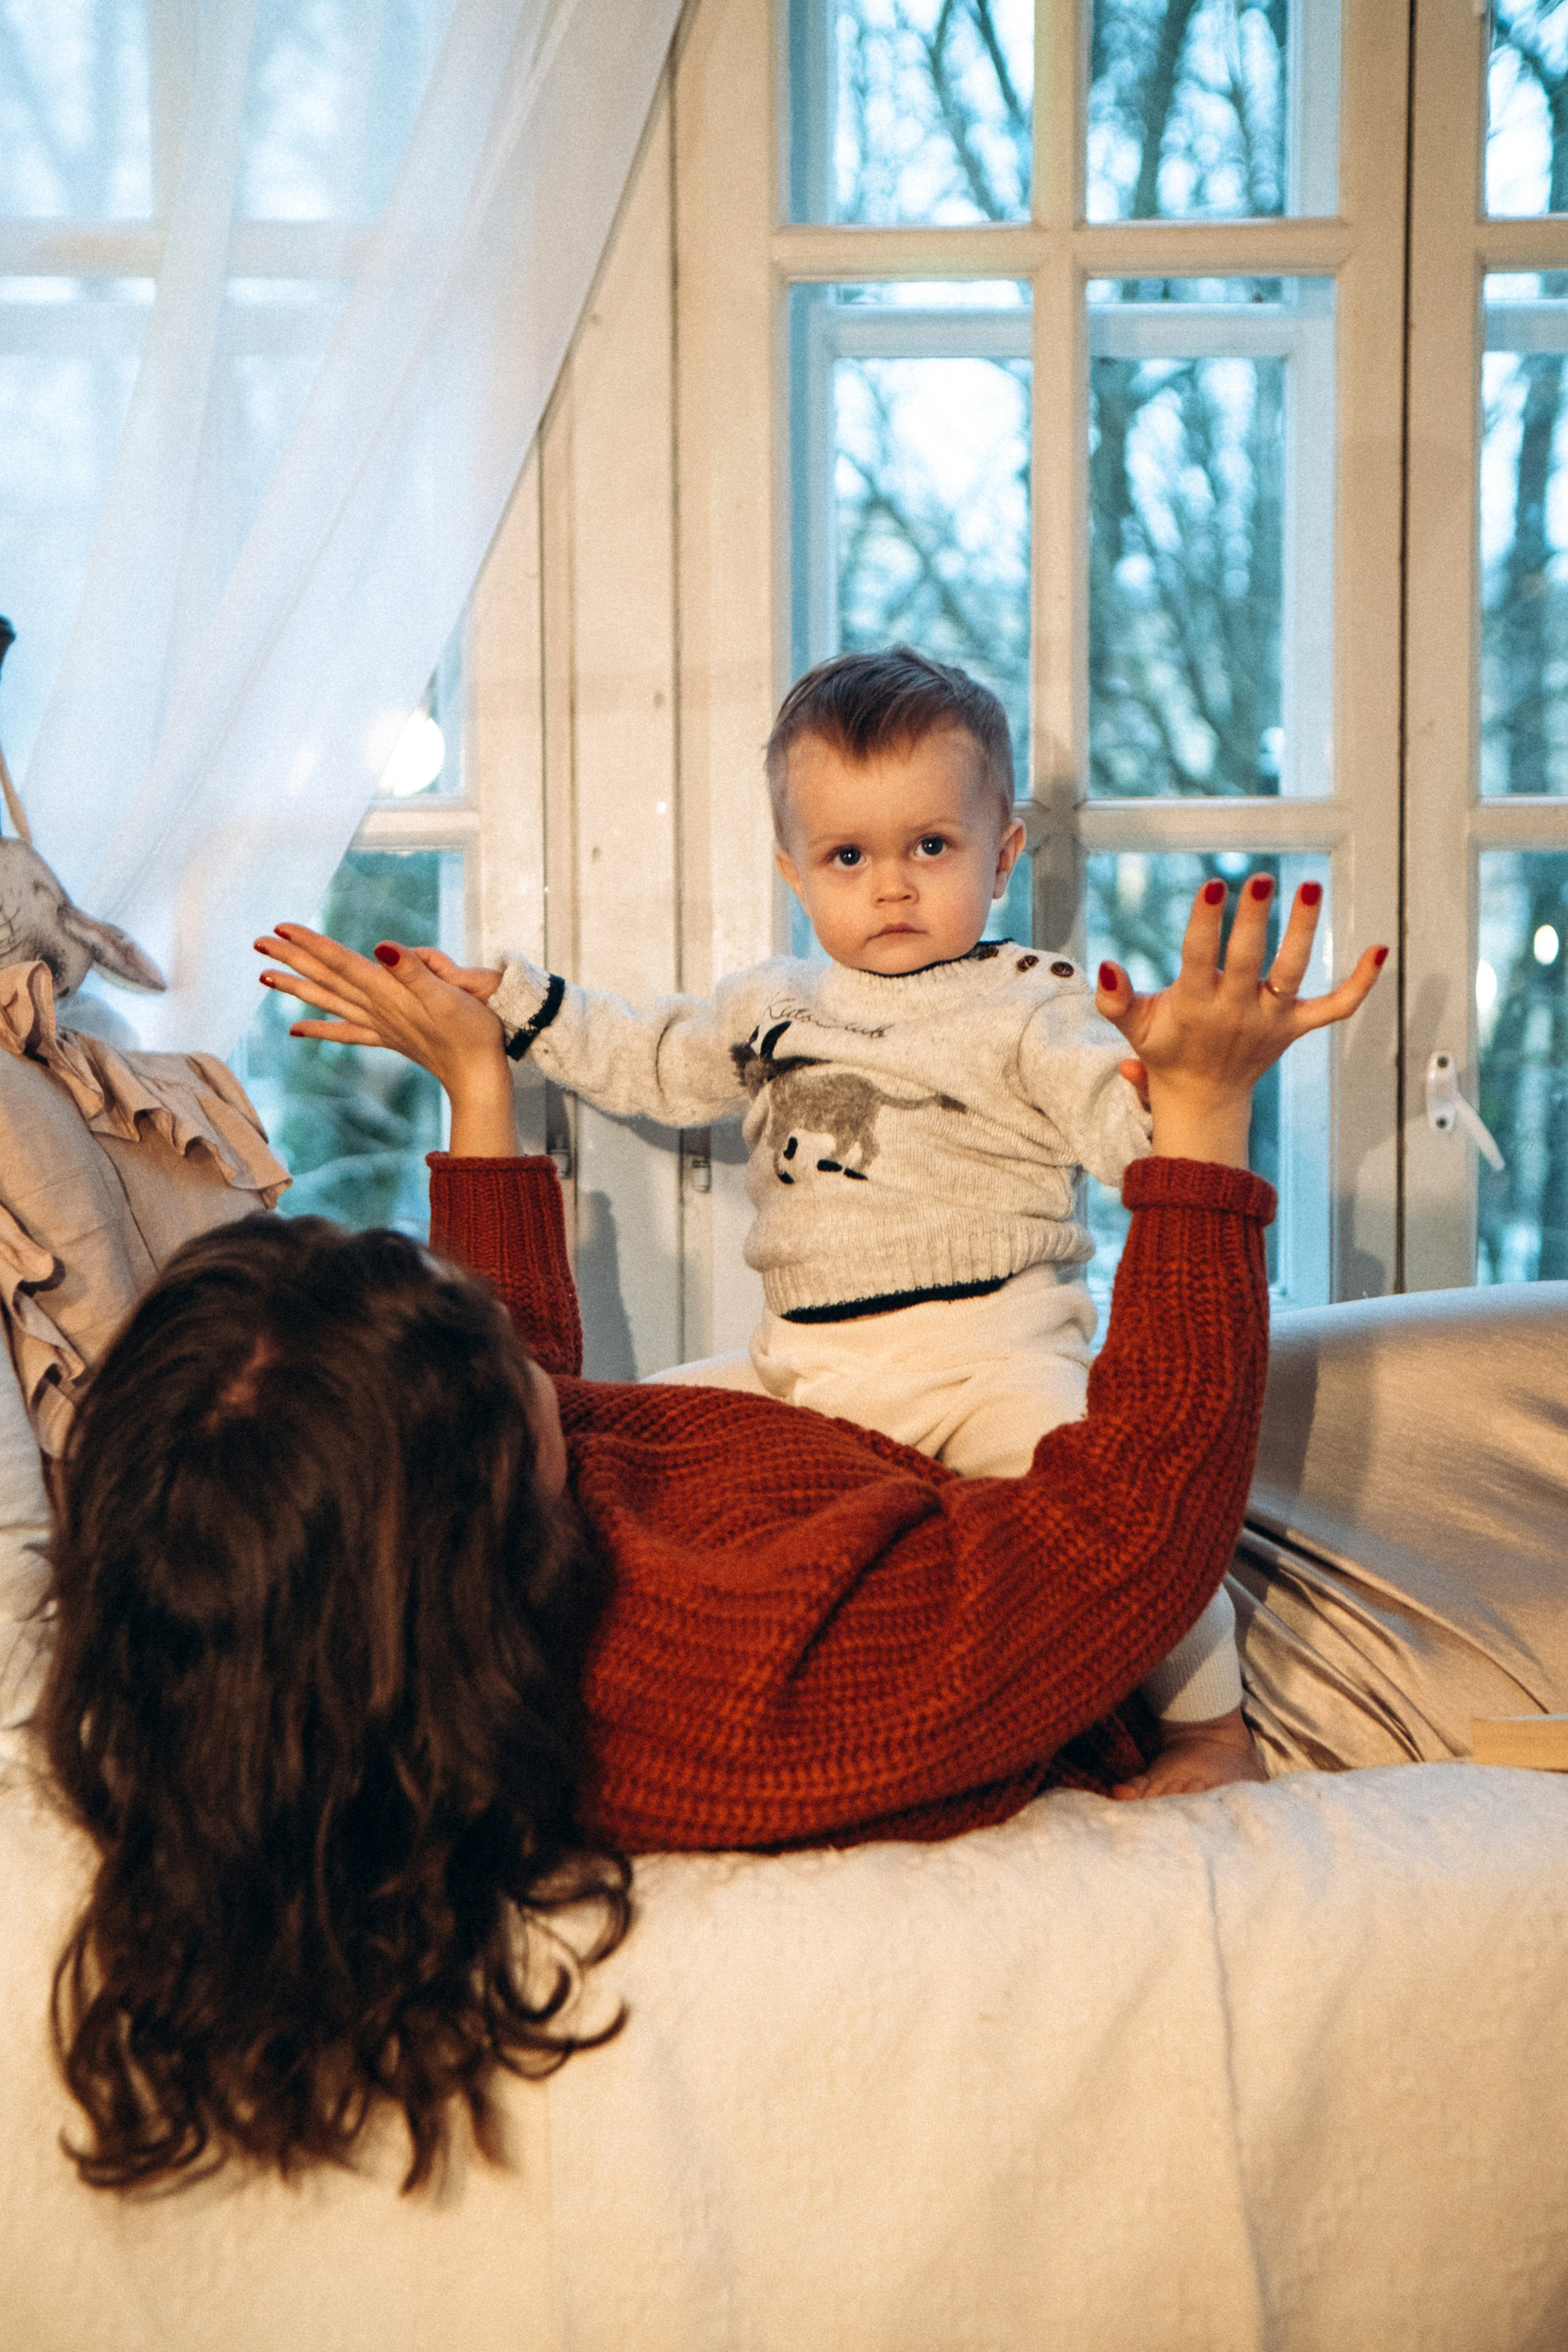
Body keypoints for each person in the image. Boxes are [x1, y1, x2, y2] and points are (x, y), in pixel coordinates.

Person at [32, 874, 1378, 2198]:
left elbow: (490, 1400)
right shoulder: (734, 1677)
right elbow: (1118, 1542)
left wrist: (480, 1087)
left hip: (890, 1464)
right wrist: (1201, 1127)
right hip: (1093, 1561)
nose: (526, 1354)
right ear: (477, 1500)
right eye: (503, 1364)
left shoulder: (425, 1595)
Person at [293, 649, 1279, 1792]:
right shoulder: (774, 1007)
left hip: (987, 1355)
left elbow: (1125, 1137)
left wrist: (1175, 1099)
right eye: (849, 857)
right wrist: (511, 1005)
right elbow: (651, 1058)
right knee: (626, 1428)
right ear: (794, 873)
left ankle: (1214, 1730)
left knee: (1104, 1502)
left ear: (1002, 855)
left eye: (932, 847)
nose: (893, 887)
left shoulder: (1032, 1008)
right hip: (805, 1364)